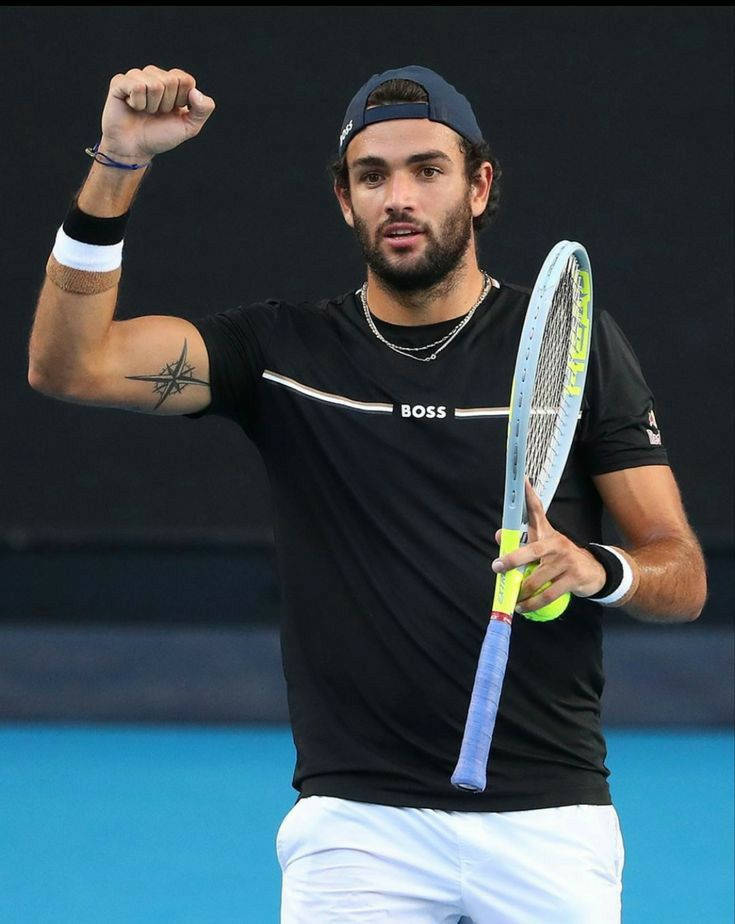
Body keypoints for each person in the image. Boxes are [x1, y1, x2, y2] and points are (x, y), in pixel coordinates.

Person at [29, 64, 707, 923]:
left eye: (427, 170)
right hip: (356, 829)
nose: (399, 196)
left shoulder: (571, 348)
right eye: (372, 175)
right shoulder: (282, 353)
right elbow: (67, 364)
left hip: (550, 821)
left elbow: (679, 576)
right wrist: (119, 160)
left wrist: (593, 568)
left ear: (479, 185)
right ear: (344, 199)